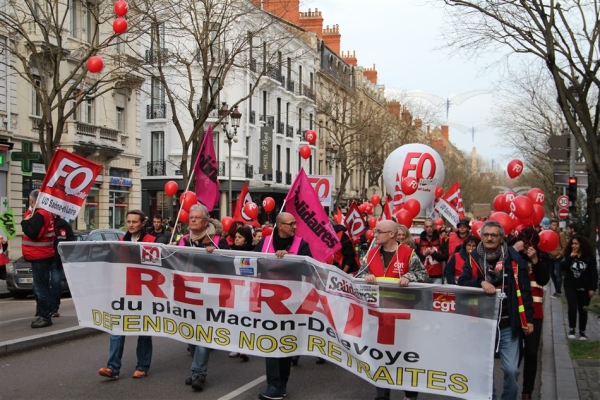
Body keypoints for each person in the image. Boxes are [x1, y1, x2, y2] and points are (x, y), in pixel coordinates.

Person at [458, 220, 534, 400]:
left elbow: (525, 291)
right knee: (485, 368)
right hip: (482, 323)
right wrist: (480, 282)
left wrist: (529, 319)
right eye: (486, 235)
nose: (489, 238)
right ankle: (489, 397)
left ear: (501, 238)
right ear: (481, 237)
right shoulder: (473, 258)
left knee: (512, 369)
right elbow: (461, 282)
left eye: (493, 235)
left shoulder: (514, 260)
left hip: (509, 323)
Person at [356, 220, 428, 400]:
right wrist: (367, 276)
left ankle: (410, 394)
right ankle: (382, 394)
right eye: (374, 231)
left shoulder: (408, 254)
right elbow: (359, 274)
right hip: (379, 315)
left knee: (405, 356)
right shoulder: (371, 254)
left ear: (391, 234)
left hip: (404, 315)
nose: (375, 234)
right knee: (381, 356)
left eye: (379, 231)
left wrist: (409, 276)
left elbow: (424, 276)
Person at [254, 212, 312, 400]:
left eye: (295, 223)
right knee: (270, 343)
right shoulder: (264, 244)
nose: (295, 226)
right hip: (267, 302)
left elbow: (309, 269)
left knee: (285, 344)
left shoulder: (301, 245)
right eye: (291, 224)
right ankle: (274, 385)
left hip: (291, 304)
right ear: (280, 226)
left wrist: (289, 259)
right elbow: (248, 262)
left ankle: (281, 384)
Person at [98, 209, 156, 379]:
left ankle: (143, 366)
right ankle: (112, 368)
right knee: (117, 329)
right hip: (123, 292)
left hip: (144, 293)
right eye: (128, 221)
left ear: (143, 223)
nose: (131, 225)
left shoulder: (152, 241)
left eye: (134, 222)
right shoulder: (120, 242)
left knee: (144, 331)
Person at [178, 204, 229, 390]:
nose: (192, 220)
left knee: (203, 334)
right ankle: (195, 369)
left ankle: (199, 373)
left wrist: (216, 256)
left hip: (209, 296)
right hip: (187, 294)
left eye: (197, 217)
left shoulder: (217, 241)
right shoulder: (183, 240)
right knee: (191, 334)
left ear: (206, 221)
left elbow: (229, 266)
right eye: (191, 217)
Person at [511, 228, 549, 400]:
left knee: (531, 353)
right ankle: (511, 387)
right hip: (515, 309)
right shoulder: (511, 252)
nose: (526, 245)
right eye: (523, 241)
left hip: (535, 312)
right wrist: (514, 251)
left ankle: (527, 391)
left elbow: (543, 279)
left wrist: (535, 260)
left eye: (529, 241)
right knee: (514, 353)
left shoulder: (541, 256)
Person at [21, 189, 57, 328]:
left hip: (39, 255)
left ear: (32, 201)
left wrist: (24, 222)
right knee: (42, 287)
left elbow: (32, 233)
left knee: (40, 288)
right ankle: (44, 313)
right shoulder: (47, 213)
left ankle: (44, 316)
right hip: (43, 254)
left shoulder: (40, 214)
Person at [560, 235, 598, 340]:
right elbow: (562, 267)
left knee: (583, 308)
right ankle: (572, 328)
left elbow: (594, 274)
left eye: (576, 244)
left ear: (581, 245)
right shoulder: (568, 254)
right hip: (570, 285)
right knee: (572, 306)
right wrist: (570, 257)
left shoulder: (589, 257)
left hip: (585, 286)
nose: (574, 246)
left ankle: (582, 331)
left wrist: (592, 288)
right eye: (572, 243)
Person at [227, 225, 254, 361]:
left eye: (240, 237)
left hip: (249, 288)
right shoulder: (230, 251)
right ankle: (235, 346)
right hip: (234, 287)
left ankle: (245, 348)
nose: (236, 240)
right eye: (235, 237)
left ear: (246, 239)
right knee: (234, 317)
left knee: (246, 317)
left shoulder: (254, 252)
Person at [51, 216, 75, 317]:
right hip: (44, 259)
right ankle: (41, 308)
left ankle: (54, 308)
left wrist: (64, 256)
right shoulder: (43, 222)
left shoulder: (64, 225)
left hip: (57, 261)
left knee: (56, 283)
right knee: (39, 285)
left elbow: (71, 242)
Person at [415, 218, 448, 284]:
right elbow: (415, 260)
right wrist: (423, 255)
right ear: (424, 228)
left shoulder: (441, 240)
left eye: (431, 226)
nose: (429, 228)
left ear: (434, 227)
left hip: (437, 276)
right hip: (422, 275)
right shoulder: (418, 241)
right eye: (427, 227)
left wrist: (434, 254)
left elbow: (445, 256)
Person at [547, 219, 567, 298]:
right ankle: (556, 289)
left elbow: (564, 246)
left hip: (557, 256)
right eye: (553, 225)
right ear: (550, 225)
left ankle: (558, 291)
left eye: (556, 225)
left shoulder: (560, 234)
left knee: (558, 274)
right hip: (550, 256)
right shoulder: (548, 233)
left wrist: (560, 254)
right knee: (551, 274)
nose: (554, 226)